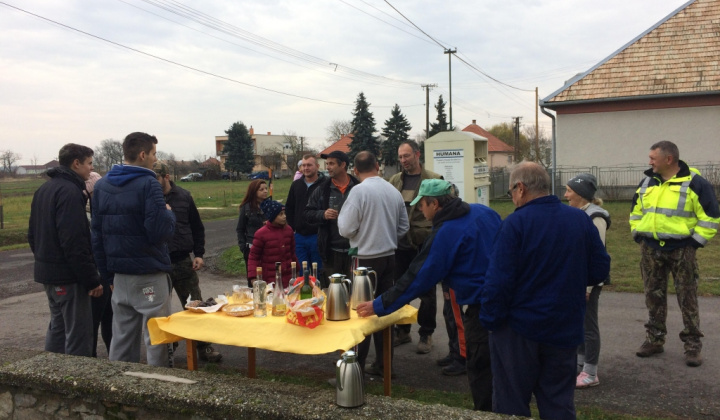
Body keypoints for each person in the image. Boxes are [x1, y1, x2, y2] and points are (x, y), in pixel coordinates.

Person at [479, 161, 610, 420]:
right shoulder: (579, 220)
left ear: (521, 188)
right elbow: (599, 270)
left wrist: (491, 321)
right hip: (564, 327)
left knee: (511, 404)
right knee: (558, 402)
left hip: (519, 330)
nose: (512, 198)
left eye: (510, 193)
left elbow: (498, 283)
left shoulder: (515, 224)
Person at [356, 178, 500, 411]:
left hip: (481, 309)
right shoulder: (483, 212)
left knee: (481, 368)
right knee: (504, 367)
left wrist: (379, 305)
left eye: (421, 205)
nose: (419, 211)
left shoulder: (446, 233)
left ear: (434, 204)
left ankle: (485, 414)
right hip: (508, 302)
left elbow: (417, 277)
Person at [630, 141, 719, 367]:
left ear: (668, 159)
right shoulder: (647, 182)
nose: (649, 162)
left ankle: (692, 346)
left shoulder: (695, 183)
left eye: (653, 157)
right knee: (653, 296)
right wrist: (638, 234)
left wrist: (694, 243)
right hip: (650, 249)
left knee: (687, 298)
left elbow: (710, 216)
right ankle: (654, 340)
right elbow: (636, 211)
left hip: (682, 250)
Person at [91, 132, 176, 366]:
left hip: (119, 275)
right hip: (149, 273)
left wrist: (108, 275)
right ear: (142, 154)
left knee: (122, 337)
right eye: (153, 154)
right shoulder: (149, 183)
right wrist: (169, 213)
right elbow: (160, 232)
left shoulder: (102, 185)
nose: (154, 160)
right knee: (156, 337)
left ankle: (118, 388)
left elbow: (96, 236)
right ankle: (157, 387)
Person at [28, 143, 104, 357]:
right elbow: (74, 242)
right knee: (78, 334)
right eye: (89, 163)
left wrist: (46, 262)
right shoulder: (70, 192)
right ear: (76, 163)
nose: (91, 168)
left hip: (48, 275)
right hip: (69, 278)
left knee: (58, 329)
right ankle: (74, 382)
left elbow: (32, 235)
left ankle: (50, 378)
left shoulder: (44, 189)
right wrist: (91, 279)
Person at [338, 151, 409, 377]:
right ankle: (384, 364)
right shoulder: (393, 190)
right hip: (389, 256)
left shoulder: (358, 191)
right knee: (383, 310)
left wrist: (362, 235)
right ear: (377, 166)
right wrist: (386, 237)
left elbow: (345, 228)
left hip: (365, 259)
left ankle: (355, 369)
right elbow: (403, 227)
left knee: (362, 312)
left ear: (355, 171)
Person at [154, 162, 222, 363]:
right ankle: (165, 349)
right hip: (158, 263)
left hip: (183, 261)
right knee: (160, 311)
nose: (153, 182)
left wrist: (199, 253)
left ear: (166, 176)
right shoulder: (148, 198)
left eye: (156, 178)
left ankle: (204, 347)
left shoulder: (183, 196)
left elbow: (197, 227)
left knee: (195, 306)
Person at [388, 140, 443, 355]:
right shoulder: (394, 181)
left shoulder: (433, 180)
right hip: (399, 245)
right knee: (401, 288)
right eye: (400, 157)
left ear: (417, 154)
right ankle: (403, 331)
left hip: (423, 243)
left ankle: (426, 333)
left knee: (427, 291)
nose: (403, 161)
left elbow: (442, 212)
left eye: (407, 156)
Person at [565, 173, 611, 388]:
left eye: (569, 190)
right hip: (577, 279)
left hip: (588, 282)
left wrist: (588, 286)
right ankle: (581, 363)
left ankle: (591, 372)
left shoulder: (595, 217)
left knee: (589, 325)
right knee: (579, 322)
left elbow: (597, 255)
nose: (565, 195)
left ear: (582, 194)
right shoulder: (578, 213)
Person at [304, 150, 359, 281]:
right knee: (334, 294)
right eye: (327, 163)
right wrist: (323, 214)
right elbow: (307, 213)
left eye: (331, 164)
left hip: (356, 251)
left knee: (355, 293)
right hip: (331, 252)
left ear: (343, 165)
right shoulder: (322, 189)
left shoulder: (358, 187)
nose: (327, 167)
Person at [85, 171, 113, 357]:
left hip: (105, 271)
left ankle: (114, 354)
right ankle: (91, 355)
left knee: (110, 317)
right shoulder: (87, 217)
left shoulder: (99, 213)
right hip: (96, 273)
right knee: (94, 319)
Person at [285, 154, 324, 283]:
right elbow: (289, 207)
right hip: (299, 236)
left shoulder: (324, 185)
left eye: (309, 165)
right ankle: (304, 299)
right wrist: (293, 227)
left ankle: (318, 298)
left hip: (317, 235)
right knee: (302, 270)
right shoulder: (296, 185)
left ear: (317, 167)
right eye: (304, 165)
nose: (306, 168)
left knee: (317, 270)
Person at [247, 200, 298, 287]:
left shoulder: (289, 230)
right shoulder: (261, 234)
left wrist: (297, 271)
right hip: (270, 281)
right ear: (272, 216)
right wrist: (253, 277)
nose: (284, 216)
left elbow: (292, 254)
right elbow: (253, 257)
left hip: (288, 280)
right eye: (280, 214)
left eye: (284, 213)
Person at [236, 179, 268, 284]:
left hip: (268, 249)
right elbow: (240, 229)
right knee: (254, 281)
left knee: (268, 280)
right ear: (254, 192)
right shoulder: (246, 208)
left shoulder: (270, 206)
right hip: (251, 248)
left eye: (266, 188)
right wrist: (243, 247)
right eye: (261, 189)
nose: (265, 191)